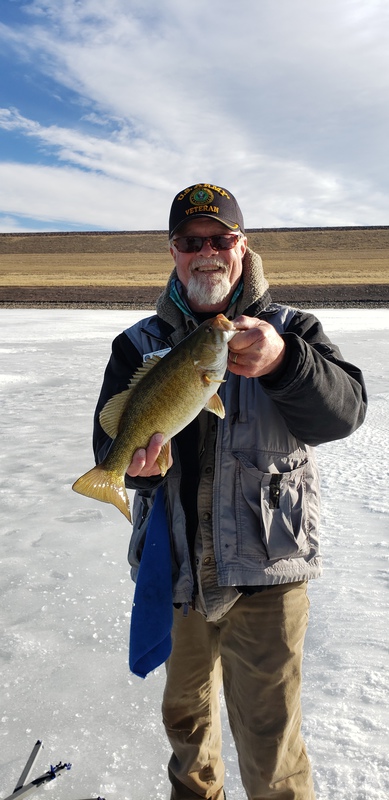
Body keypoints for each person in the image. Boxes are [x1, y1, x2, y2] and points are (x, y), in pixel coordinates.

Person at [93, 184, 367, 800]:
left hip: (266, 574)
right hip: (178, 573)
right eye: (193, 242)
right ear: (174, 252)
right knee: (187, 729)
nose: (208, 252)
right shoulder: (136, 346)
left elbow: (344, 415)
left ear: (242, 246)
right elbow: (109, 446)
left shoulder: (293, 330)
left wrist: (283, 364)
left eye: (221, 239)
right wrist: (136, 471)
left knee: (272, 749)